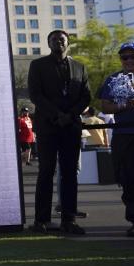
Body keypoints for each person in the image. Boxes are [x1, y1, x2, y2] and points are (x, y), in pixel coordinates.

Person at [27, 30, 90, 235]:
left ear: (68, 42)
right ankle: (41, 220)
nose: (58, 42)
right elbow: (35, 95)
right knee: (46, 171)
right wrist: (57, 115)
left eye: (61, 39)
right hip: (48, 126)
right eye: (53, 40)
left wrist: (70, 115)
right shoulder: (37, 66)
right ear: (48, 43)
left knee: (70, 174)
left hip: (71, 127)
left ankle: (68, 219)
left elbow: (86, 97)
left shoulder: (80, 67)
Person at [97, 41, 134, 237]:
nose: (129, 60)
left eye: (133, 56)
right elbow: (105, 106)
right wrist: (125, 106)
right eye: (125, 57)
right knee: (128, 179)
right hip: (124, 136)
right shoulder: (114, 79)